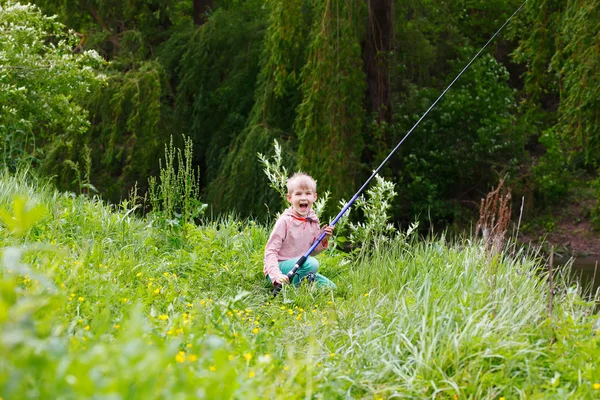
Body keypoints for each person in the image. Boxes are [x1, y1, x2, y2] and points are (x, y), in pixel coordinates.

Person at [264, 172, 336, 289]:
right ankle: (292, 289)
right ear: (289, 198)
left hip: (301, 267)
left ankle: (301, 284)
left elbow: (312, 251)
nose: (303, 198)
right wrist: (276, 275)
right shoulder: (285, 221)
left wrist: (323, 238)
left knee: (330, 287)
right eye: (298, 194)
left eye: (308, 193)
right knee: (312, 264)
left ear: (314, 197)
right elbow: (270, 251)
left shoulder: (313, 221)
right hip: (280, 269)